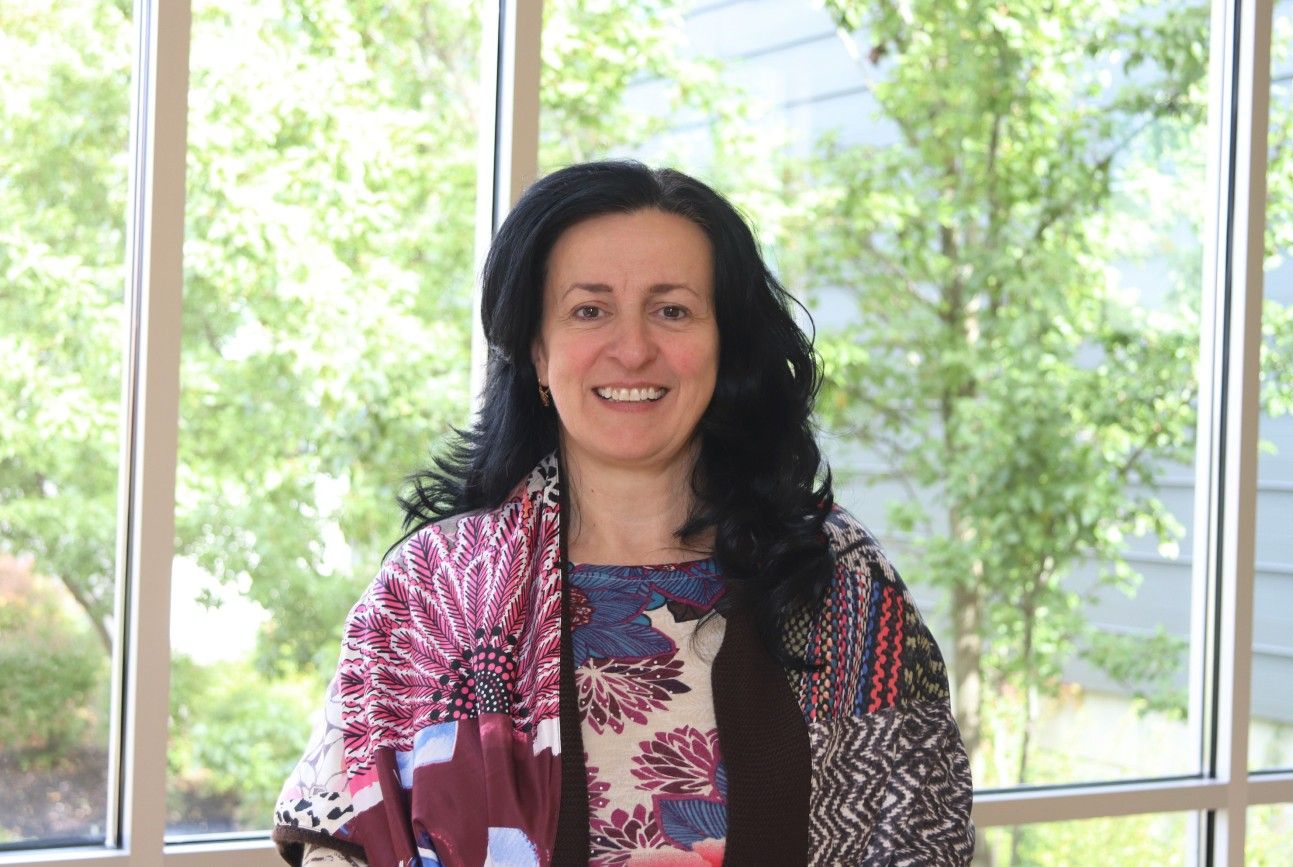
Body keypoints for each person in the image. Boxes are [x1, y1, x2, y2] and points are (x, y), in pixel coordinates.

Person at [272, 161, 974, 866]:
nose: (634, 349)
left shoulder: (837, 576)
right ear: (538, 352)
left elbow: (924, 838)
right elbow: (337, 834)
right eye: (589, 310)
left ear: (722, 344)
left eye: (672, 309)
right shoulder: (428, 589)